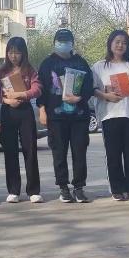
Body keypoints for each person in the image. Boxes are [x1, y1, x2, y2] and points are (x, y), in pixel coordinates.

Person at [38, 28, 94, 203]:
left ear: (72, 44)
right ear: (54, 43)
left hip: (79, 116)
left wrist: (80, 97)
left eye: (67, 41)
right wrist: (42, 110)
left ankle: (79, 187)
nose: (63, 44)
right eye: (60, 41)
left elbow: (89, 85)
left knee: (79, 152)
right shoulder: (47, 63)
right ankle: (63, 187)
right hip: (56, 117)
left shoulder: (81, 62)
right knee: (59, 153)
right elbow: (41, 89)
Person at [92, 30, 129, 201]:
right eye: (117, 41)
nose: (120, 45)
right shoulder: (99, 66)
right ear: (110, 43)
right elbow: (92, 89)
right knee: (113, 154)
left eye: (124, 42)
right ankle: (117, 189)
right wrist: (106, 96)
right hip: (110, 114)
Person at [0, 37, 43, 203]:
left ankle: (33, 190)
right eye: (10, 52)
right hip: (8, 112)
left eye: (17, 52)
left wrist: (22, 95)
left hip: (25, 111)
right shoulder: (1, 71)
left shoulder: (29, 70)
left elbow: (37, 89)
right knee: (10, 151)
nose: (13, 56)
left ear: (23, 53)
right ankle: (13, 190)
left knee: (30, 150)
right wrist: (8, 101)